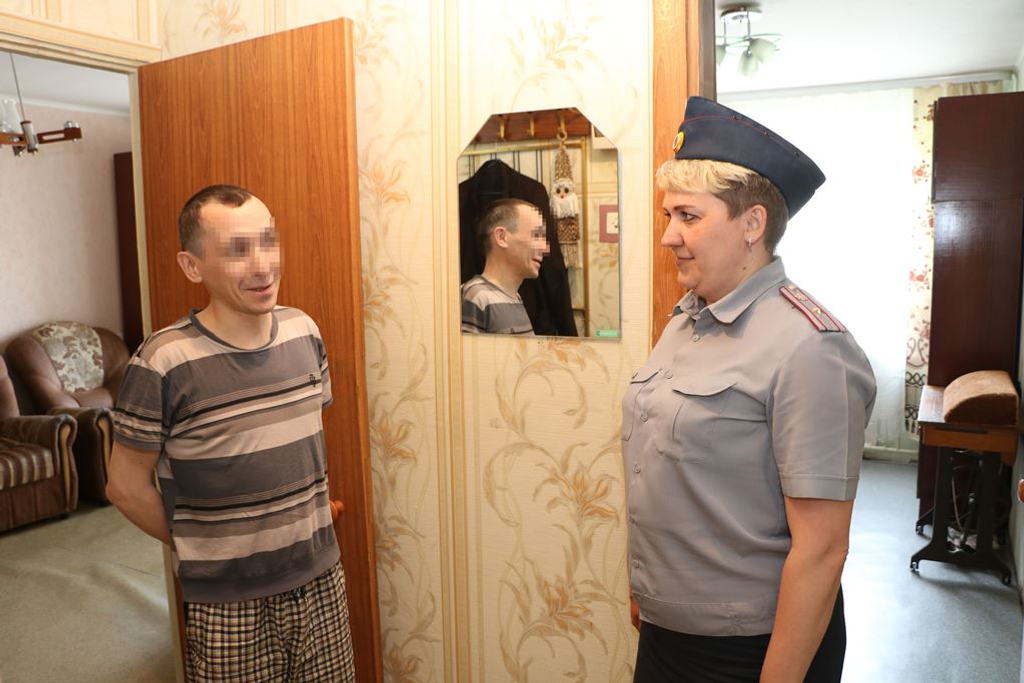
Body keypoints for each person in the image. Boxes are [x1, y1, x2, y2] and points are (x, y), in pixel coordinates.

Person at [623, 97, 876, 683]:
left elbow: (822, 550)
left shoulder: (810, 346)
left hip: (751, 649)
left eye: (688, 216)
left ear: (752, 224)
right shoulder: (684, 321)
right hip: (667, 630)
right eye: (668, 215)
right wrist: (646, 590)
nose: (668, 236)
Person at [106, 184, 356, 683]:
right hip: (227, 606)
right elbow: (125, 487)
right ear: (192, 266)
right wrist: (202, 547)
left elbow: (298, 448)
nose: (263, 266)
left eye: (268, 241)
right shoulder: (163, 361)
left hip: (322, 581)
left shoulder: (304, 331)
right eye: (238, 250)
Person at [461, 198, 550, 335]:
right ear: (502, 237)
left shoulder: (514, 298)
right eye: (536, 235)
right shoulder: (476, 296)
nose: (545, 248)